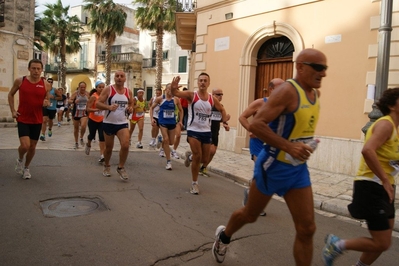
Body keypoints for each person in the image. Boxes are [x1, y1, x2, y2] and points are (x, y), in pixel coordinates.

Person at [211, 48, 327, 265]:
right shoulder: (287, 92)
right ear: (300, 67)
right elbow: (257, 124)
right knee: (250, 215)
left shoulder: (315, 94)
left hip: (297, 170)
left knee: (307, 228)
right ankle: (224, 236)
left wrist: (304, 144)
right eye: (318, 68)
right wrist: (290, 147)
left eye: (325, 68)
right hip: (273, 166)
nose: (324, 73)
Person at [322, 88, 398, 266]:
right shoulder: (385, 124)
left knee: (383, 241)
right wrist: (386, 180)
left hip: (385, 187)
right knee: (381, 242)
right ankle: (337, 244)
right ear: (392, 105)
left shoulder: (395, 128)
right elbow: (367, 150)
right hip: (371, 185)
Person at [171, 73, 228, 195]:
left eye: (205, 80)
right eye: (200, 80)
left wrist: (225, 122)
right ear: (198, 82)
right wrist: (173, 87)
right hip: (193, 130)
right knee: (198, 155)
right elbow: (176, 93)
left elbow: (222, 109)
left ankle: (189, 157)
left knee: (204, 159)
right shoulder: (192, 95)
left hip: (206, 131)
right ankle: (194, 183)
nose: (202, 82)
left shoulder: (212, 99)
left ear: (208, 83)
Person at [239, 78, 285, 216]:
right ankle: (256, 204)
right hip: (258, 144)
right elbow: (242, 117)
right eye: (280, 87)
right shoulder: (260, 103)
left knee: (265, 174)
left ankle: (250, 192)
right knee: (261, 170)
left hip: (272, 145)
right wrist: (250, 129)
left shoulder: (283, 107)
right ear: (271, 89)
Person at [8, 59, 51, 179]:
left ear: (42, 70)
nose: (36, 71)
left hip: (37, 119)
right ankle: (20, 159)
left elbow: (47, 100)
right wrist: (13, 110)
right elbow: (10, 94)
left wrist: (46, 102)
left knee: (32, 147)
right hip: (23, 118)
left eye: (38, 69)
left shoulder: (45, 84)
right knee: (25, 146)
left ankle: (26, 167)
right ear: (29, 69)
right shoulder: (20, 81)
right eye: (33, 68)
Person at [96, 70, 133, 181]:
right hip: (109, 123)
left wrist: (130, 108)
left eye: (121, 76)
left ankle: (121, 167)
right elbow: (98, 103)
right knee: (109, 148)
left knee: (126, 144)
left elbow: (131, 103)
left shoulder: (128, 91)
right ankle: (107, 165)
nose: (119, 78)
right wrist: (108, 107)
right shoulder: (109, 89)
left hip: (122, 123)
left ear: (125, 79)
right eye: (117, 76)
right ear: (114, 78)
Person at [149, 83, 183, 170]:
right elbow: (151, 108)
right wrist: (152, 119)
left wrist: (180, 121)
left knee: (171, 142)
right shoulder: (160, 99)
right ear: (166, 90)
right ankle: (168, 162)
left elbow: (181, 110)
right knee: (167, 140)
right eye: (169, 89)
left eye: (172, 90)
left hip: (172, 122)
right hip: (162, 121)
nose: (170, 91)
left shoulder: (176, 100)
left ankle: (161, 141)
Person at [199, 88, 230, 177]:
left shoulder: (221, 107)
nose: (220, 96)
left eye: (221, 94)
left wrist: (225, 122)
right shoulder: (208, 105)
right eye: (218, 94)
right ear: (212, 95)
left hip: (215, 131)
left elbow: (219, 119)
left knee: (212, 152)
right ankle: (194, 159)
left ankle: (203, 167)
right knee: (204, 152)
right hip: (205, 131)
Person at [85, 81, 106, 164]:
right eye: (99, 87)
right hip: (93, 119)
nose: (101, 89)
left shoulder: (105, 97)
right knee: (91, 135)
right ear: (96, 88)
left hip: (102, 120)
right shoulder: (94, 97)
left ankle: (102, 155)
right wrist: (96, 110)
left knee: (102, 137)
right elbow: (88, 109)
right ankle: (88, 144)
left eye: (103, 87)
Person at [69, 82, 90, 149]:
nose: (83, 88)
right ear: (79, 87)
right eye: (81, 87)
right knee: (76, 128)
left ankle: (81, 137)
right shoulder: (76, 93)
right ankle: (76, 142)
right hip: (76, 113)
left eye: (84, 87)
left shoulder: (87, 93)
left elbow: (91, 101)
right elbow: (69, 100)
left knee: (83, 126)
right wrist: (73, 101)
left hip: (84, 113)